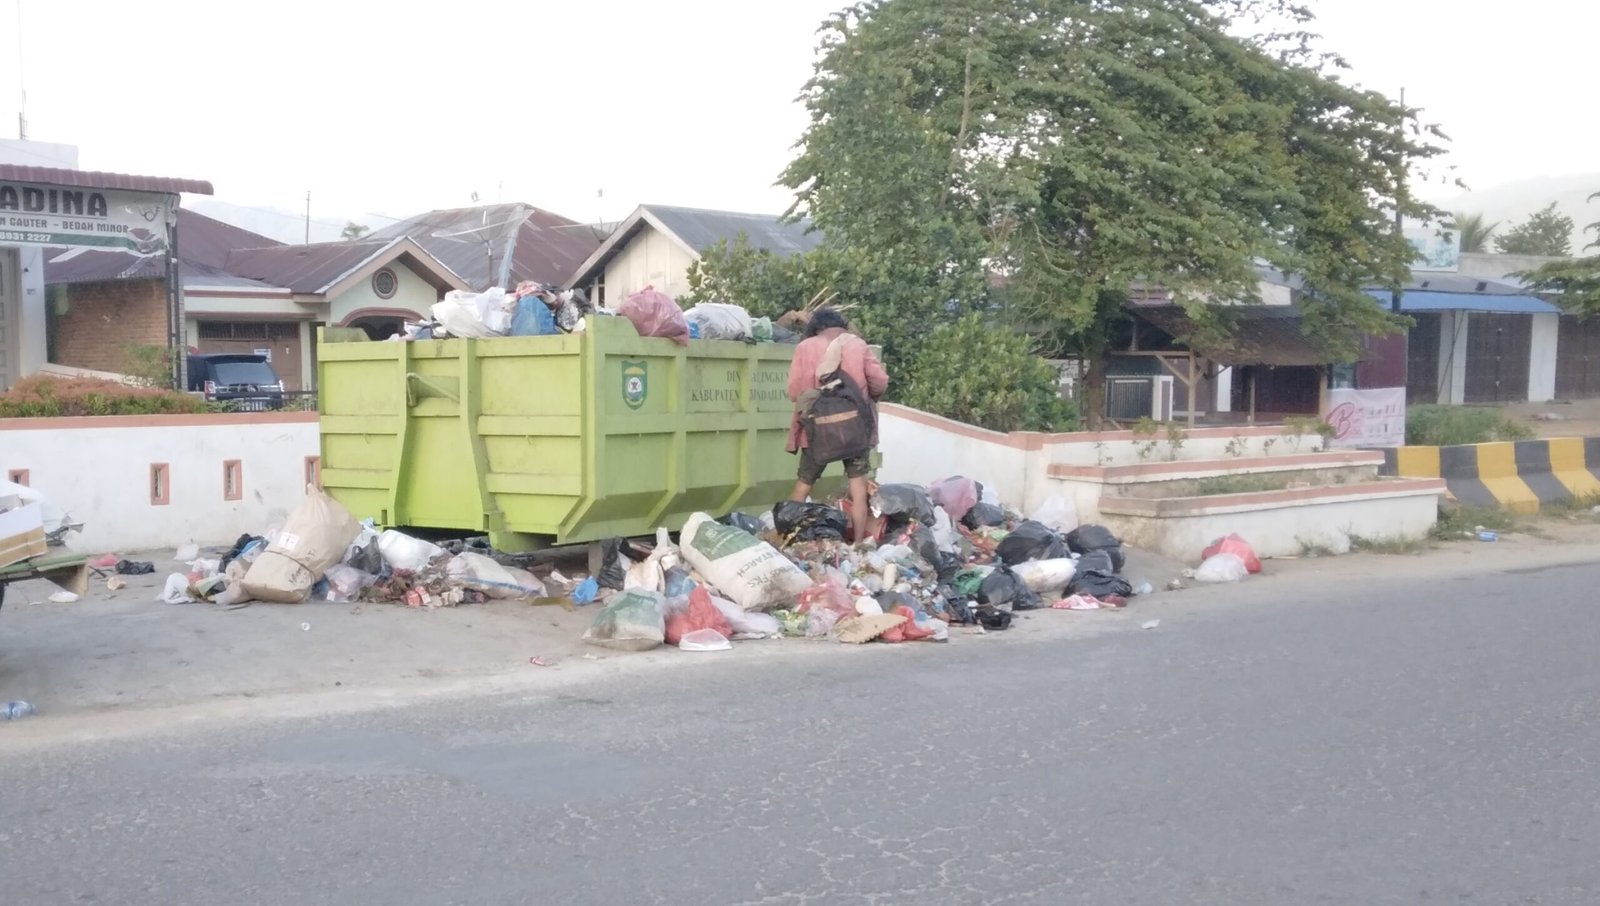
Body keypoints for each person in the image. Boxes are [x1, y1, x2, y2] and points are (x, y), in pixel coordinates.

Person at [785, 307, 889, 543]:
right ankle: (859, 544)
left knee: (804, 483)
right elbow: (880, 383)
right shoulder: (858, 345)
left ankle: (785, 536)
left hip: (817, 431)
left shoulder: (805, 347)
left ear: (816, 327)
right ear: (841, 325)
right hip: (855, 430)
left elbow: (794, 392)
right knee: (858, 490)